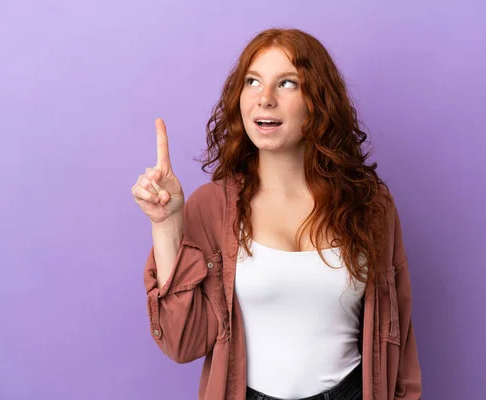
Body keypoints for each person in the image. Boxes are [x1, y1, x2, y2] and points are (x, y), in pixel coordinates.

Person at [132, 28, 421, 400]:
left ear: (319, 100)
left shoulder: (371, 204)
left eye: (287, 83)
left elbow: (400, 335)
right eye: (253, 82)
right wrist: (166, 223)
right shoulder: (210, 207)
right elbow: (183, 343)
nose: (264, 99)